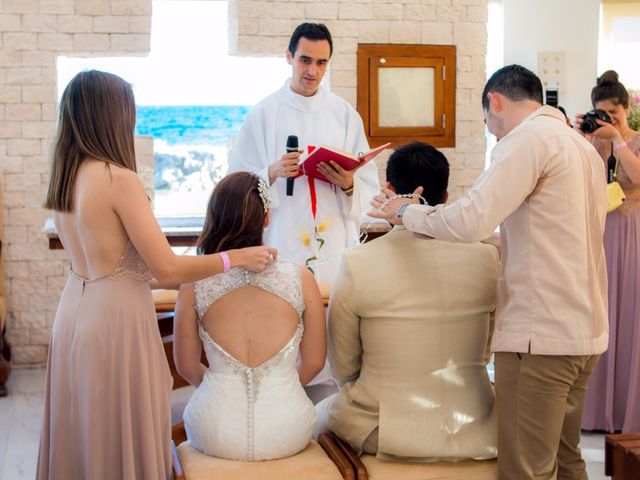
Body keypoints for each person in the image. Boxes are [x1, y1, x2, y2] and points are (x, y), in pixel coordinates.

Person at [370, 65, 608, 480]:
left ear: (494, 102)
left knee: (525, 470)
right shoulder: (580, 146)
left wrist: (406, 212)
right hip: (583, 331)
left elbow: (472, 220)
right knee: (567, 461)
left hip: (541, 336)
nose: (493, 134)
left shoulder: (526, 140)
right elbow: (548, 238)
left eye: (487, 124)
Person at [37, 70, 276, 480]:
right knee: (119, 429)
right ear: (111, 116)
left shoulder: (65, 179)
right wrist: (233, 257)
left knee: (86, 431)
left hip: (73, 315)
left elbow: (117, 267)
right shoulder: (118, 180)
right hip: (116, 325)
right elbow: (166, 269)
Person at [314, 142, 499, 460]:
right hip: (474, 424)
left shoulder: (359, 262)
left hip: (383, 428)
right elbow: (484, 352)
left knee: (312, 416)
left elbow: (344, 366)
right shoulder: (486, 258)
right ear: (445, 197)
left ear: (387, 188)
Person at [173, 171, 326, 461]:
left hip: (214, 430)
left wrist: (224, 387)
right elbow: (316, 362)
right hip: (288, 429)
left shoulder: (194, 283)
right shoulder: (301, 278)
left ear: (214, 217)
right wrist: (279, 388)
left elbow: (187, 367)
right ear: (266, 218)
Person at [228, 22, 380, 286]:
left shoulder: (344, 115)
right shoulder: (264, 114)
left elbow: (368, 184)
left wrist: (347, 185)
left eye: (321, 63)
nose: (313, 71)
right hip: (283, 234)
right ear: (289, 57)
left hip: (332, 238)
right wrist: (271, 173)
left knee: (331, 315)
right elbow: (235, 186)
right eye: (305, 60)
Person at [576, 70, 640, 433]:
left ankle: (627, 411)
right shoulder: (592, 142)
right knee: (599, 312)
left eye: (613, 113)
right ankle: (596, 410)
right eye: (601, 113)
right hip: (600, 231)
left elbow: (637, 175)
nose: (608, 119)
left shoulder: (634, 139)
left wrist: (617, 138)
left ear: (626, 108)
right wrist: (581, 138)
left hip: (632, 233)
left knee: (630, 314)